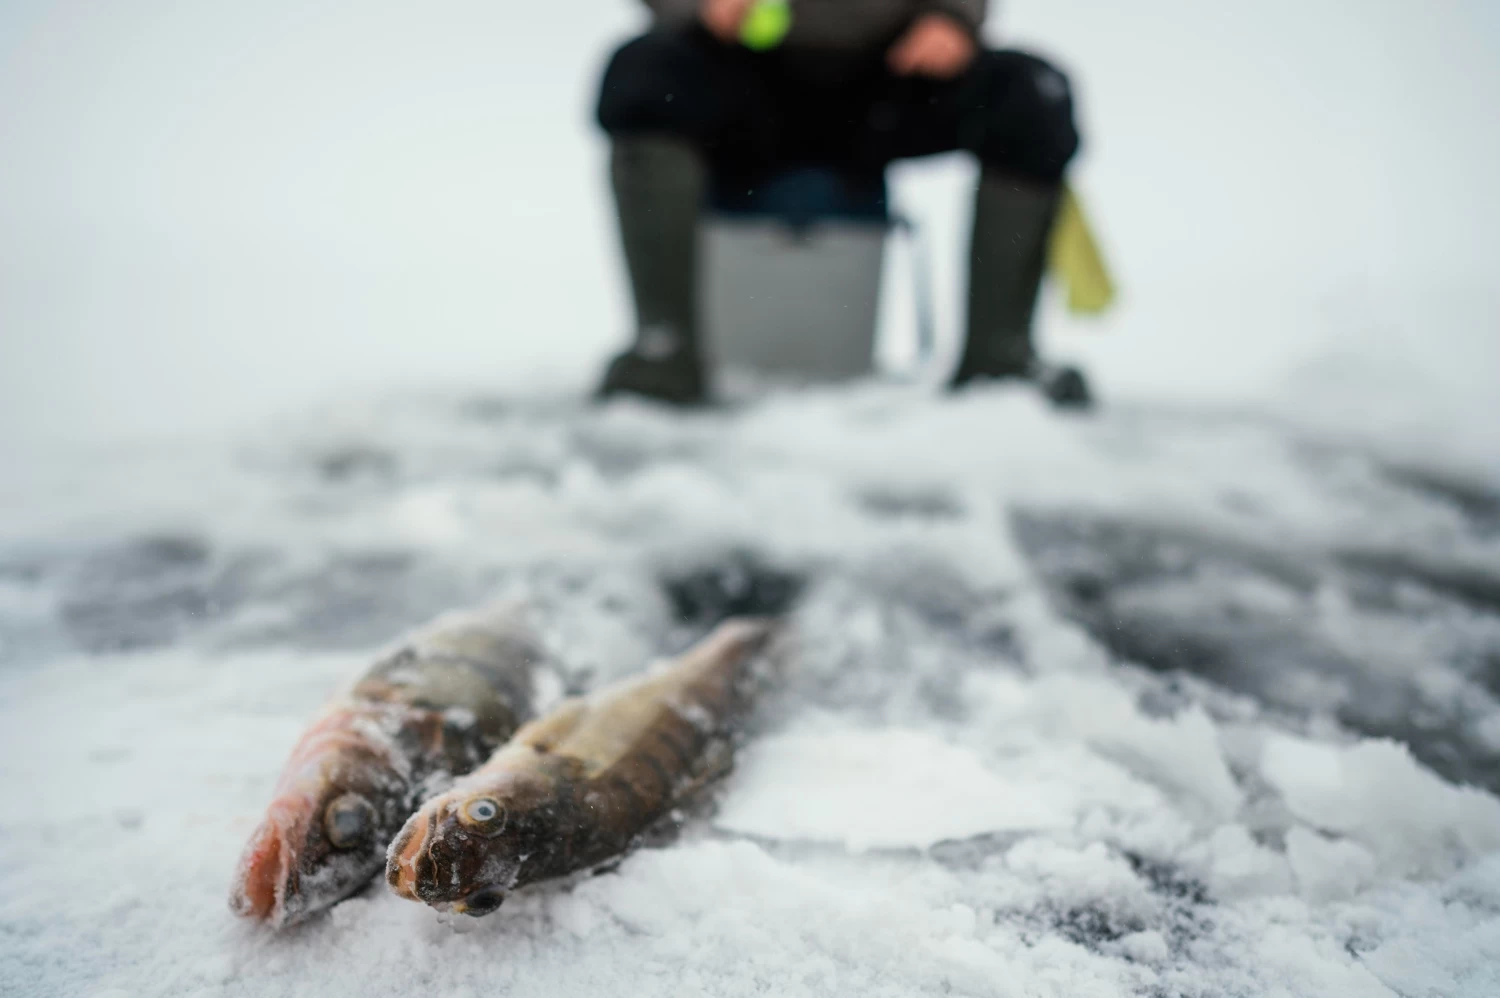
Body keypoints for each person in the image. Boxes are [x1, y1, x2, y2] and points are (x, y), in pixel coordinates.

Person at [593, 0, 1090, 407]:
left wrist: (952, 17)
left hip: (897, 72)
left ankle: (998, 363)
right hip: (738, 66)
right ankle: (664, 354)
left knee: (1031, 95)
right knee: (643, 75)